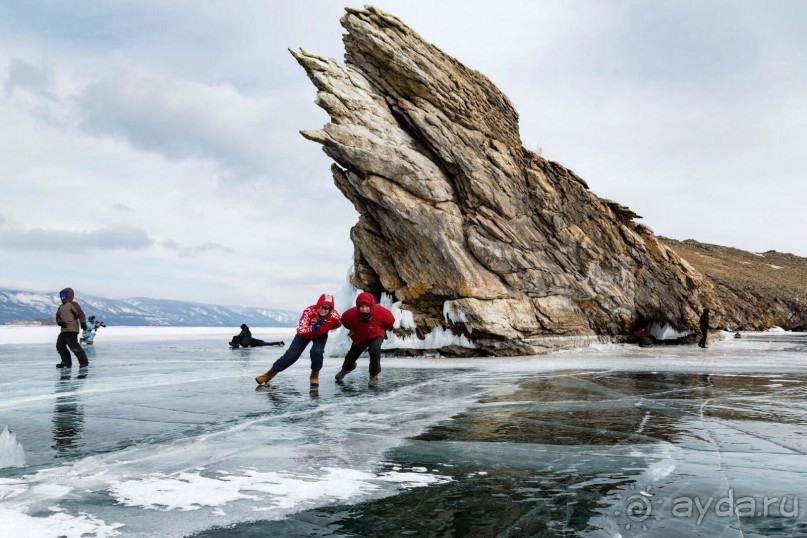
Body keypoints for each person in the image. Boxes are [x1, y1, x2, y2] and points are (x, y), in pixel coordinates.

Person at [255, 294, 341, 387]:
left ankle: (314, 374)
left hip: (320, 335)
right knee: (291, 355)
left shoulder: (334, 316)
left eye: (328, 308)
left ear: (331, 309)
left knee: (316, 352)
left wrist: (328, 328)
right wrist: (313, 327)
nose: (324, 310)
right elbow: (300, 330)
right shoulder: (309, 311)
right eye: (322, 306)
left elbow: (339, 324)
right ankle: (269, 374)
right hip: (304, 334)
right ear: (318, 305)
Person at [335, 292, 395, 387]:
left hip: (376, 335)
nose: (364, 309)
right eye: (361, 306)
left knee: (374, 349)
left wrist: (383, 330)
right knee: (351, 356)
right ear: (358, 306)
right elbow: (345, 322)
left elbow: (390, 321)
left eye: (367, 306)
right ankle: (345, 370)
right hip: (360, 337)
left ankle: (373, 375)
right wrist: (354, 329)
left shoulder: (381, 312)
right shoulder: (350, 314)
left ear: (371, 306)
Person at [55, 288, 89, 368]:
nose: (62, 297)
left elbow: (81, 314)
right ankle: (66, 362)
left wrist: (83, 323)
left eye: (64, 295)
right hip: (64, 330)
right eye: (61, 295)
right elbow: (57, 317)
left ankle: (84, 362)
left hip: (72, 330)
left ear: (69, 295)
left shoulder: (74, 304)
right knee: (60, 346)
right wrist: (60, 322)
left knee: (74, 347)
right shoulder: (61, 306)